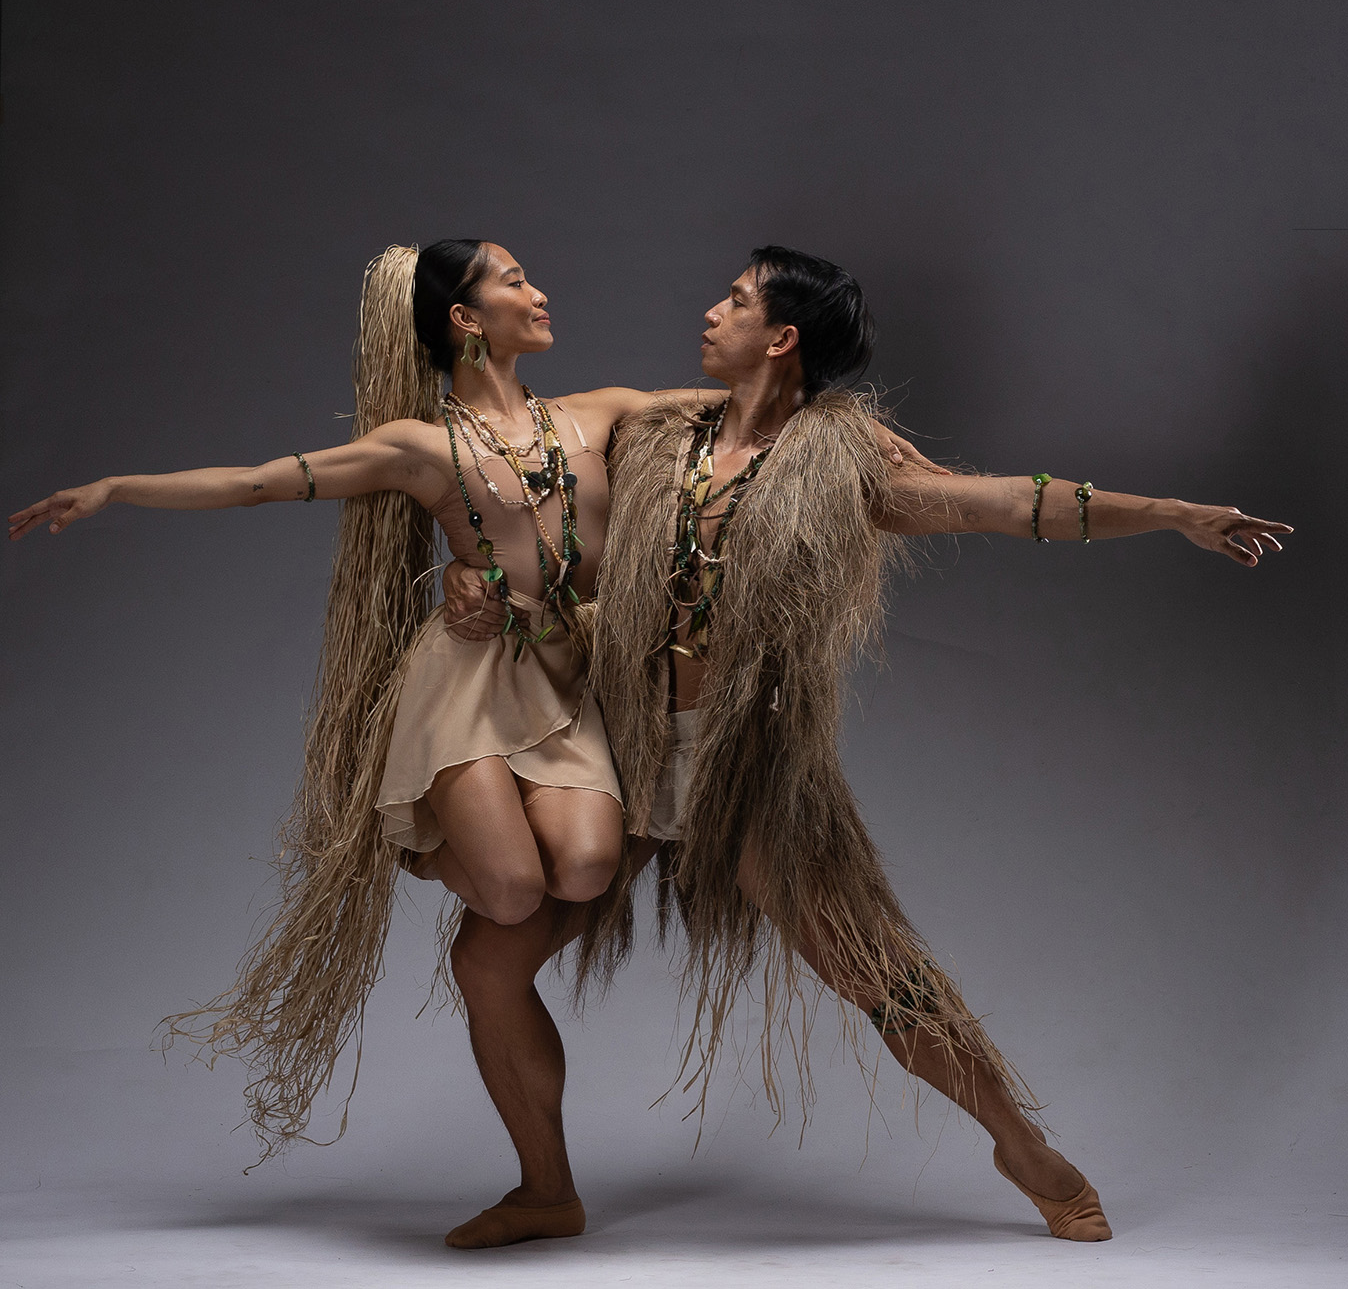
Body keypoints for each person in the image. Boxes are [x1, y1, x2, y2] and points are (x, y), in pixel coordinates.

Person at [438, 245, 1291, 1249]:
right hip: (612, 753)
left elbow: (1011, 503)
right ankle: (546, 1189)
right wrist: (469, 578)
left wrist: (1171, 515)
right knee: (487, 962)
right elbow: (521, 486)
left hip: (747, 770)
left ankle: (1022, 1148)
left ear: (781, 337)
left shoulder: (843, 461)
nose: (710, 311)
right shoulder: (651, 435)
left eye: (736, 301)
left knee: (879, 976)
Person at [7, 238, 730, 1173]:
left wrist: (847, 426)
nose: (540, 292)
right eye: (516, 281)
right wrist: (118, 489)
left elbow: (749, 409)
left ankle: (476, 856)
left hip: (567, 677)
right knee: (512, 891)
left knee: (588, 868)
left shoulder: (600, 413)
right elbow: (258, 482)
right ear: (465, 319)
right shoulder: (419, 446)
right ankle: (413, 839)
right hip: (470, 682)